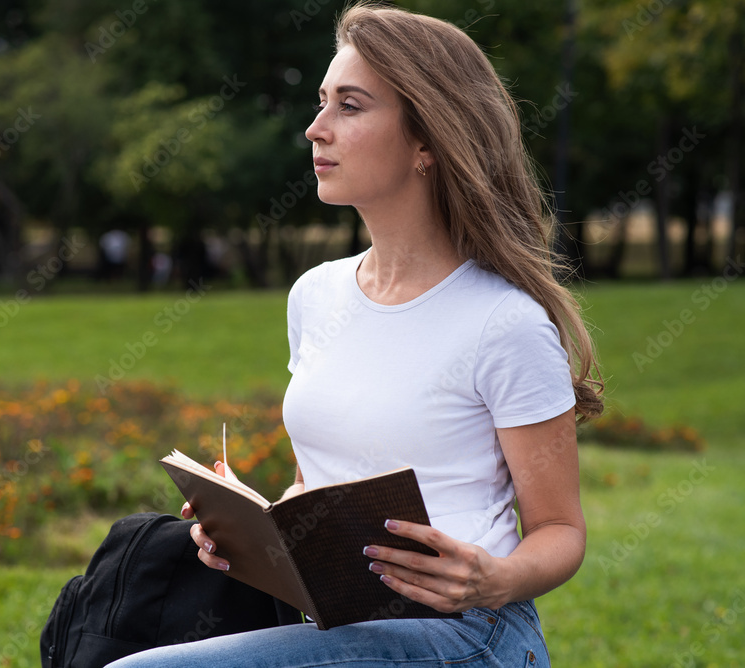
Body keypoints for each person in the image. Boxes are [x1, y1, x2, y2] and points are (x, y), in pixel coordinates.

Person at [107, 3, 603, 666]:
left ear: (427, 141)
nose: (316, 129)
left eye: (349, 106)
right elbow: (317, 490)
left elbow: (560, 530)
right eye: (321, 103)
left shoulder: (504, 322)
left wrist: (494, 578)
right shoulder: (316, 295)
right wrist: (254, 536)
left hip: (467, 634)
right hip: (340, 619)